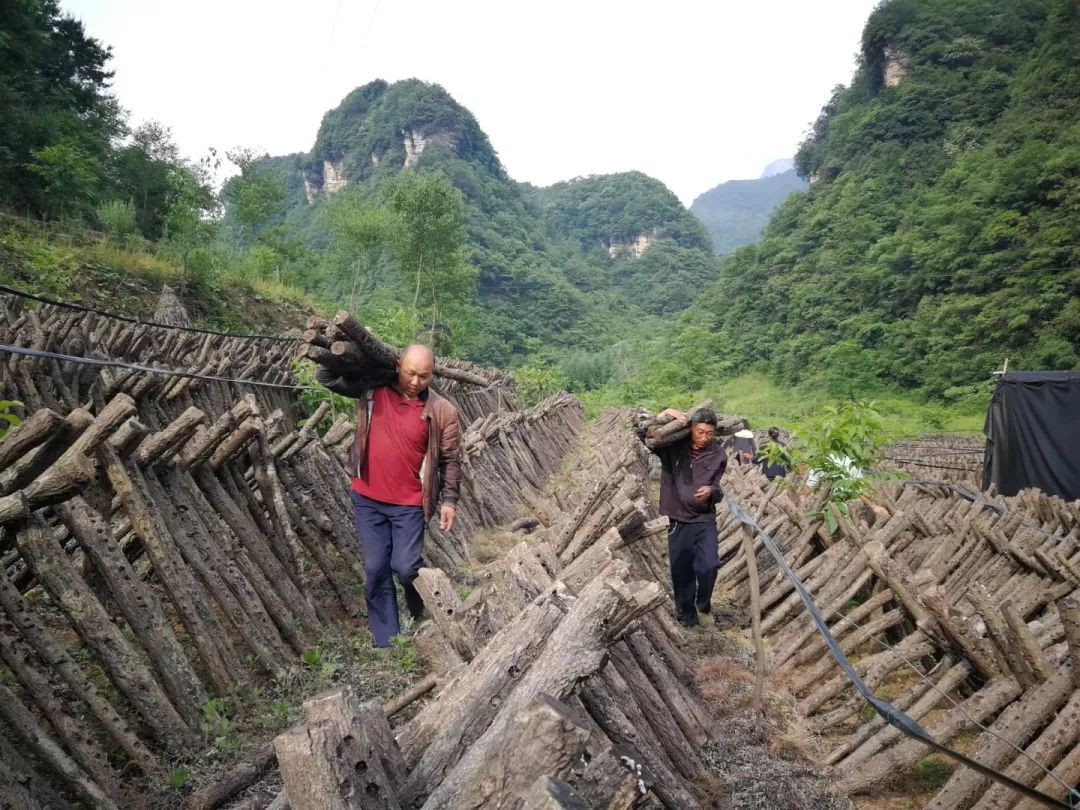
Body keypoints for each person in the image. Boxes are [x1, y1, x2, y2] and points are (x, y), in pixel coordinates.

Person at [317, 345, 461, 647]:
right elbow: (327, 377)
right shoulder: (373, 388)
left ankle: (421, 611)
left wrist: (449, 501)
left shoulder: (442, 411)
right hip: (367, 498)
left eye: (424, 376)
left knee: (407, 567)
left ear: (432, 374)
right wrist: (349, 359)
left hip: (409, 504)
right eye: (410, 373)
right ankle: (389, 642)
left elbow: (450, 460)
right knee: (375, 570)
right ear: (398, 366)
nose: (415, 381)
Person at [639, 407, 727, 628]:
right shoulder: (673, 447)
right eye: (700, 432)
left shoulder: (718, 455)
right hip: (678, 519)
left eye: (709, 433)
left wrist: (711, 492)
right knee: (682, 569)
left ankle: (703, 605)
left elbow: (718, 490)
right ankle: (685, 615)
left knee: (709, 565)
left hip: (703, 519)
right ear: (691, 429)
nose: (704, 437)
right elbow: (641, 433)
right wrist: (666, 415)